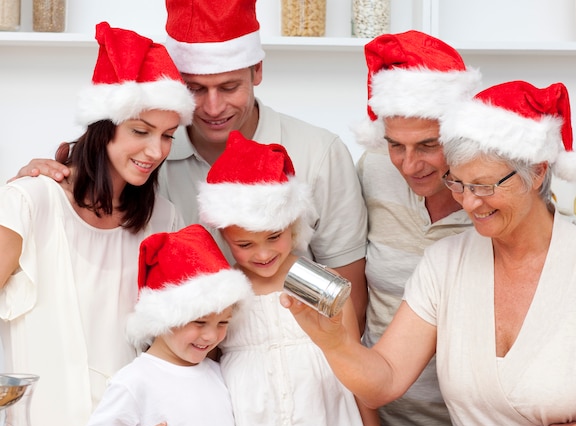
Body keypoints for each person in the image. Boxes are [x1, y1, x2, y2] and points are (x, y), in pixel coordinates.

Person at [281, 80, 576, 426]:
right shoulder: (445, 263)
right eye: (459, 184)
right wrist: (335, 342)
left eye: (484, 185)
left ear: (536, 173)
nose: (468, 202)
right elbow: (385, 380)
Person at [13, 0, 369, 331]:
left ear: (257, 70)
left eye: (229, 87)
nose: (213, 108)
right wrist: (38, 182)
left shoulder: (320, 153)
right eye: (195, 89)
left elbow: (348, 294)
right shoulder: (147, 165)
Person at [0, 22, 195, 426]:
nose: (156, 151)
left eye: (167, 136)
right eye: (140, 131)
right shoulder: (29, 202)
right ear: (102, 126)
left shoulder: (164, 219)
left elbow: (178, 345)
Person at [197, 130, 384, 426]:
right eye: (245, 245)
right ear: (224, 234)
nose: (264, 253)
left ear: (293, 222)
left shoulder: (325, 284)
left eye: (274, 237)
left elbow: (359, 377)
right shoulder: (222, 294)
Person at [350, 30, 481, 426]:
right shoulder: (371, 172)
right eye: (396, 146)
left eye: (428, 145)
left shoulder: (498, 195)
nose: (410, 165)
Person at [80, 224, 251, 426]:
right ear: (164, 318)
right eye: (199, 322)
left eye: (223, 322)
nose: (212, 335)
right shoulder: (136, 379)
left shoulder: (217, 372)